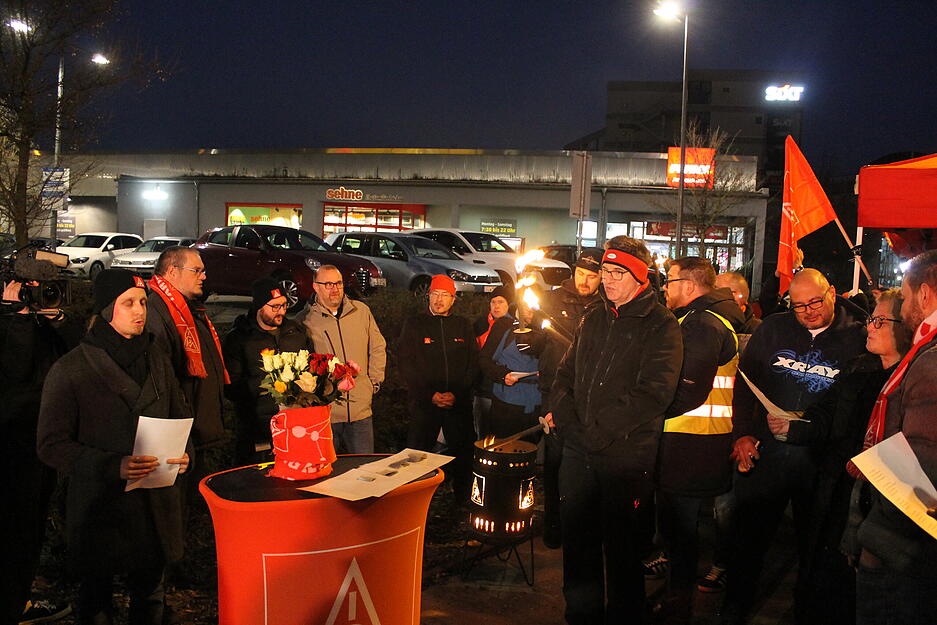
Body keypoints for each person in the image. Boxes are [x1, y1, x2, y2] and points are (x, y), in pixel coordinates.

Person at [37, 270, 191, 625]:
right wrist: (112, 465)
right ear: (107, 310)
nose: (140, 311)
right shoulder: (72, 367)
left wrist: (186, 456)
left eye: (143, 303)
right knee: (95, 601)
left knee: (151, 598)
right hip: (100, 508)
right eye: (129, 303)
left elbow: (181, 415)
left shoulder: (157, 359)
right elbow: (51, 445)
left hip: (154, 505)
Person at [549, 237, 682, 624]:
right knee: (578, 545)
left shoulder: (661, 325)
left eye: (616, 273)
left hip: (624, 458)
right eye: (605, 271)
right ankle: (582, 615)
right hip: (579, 453)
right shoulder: (594, 317)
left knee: (623, 551)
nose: (606, 280)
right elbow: (564, 375)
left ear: (640, 277)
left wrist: (598, 431)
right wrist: (570, 424)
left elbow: (654, 393)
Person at [724, 268, 867, 625]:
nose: (808, 312)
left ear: (832, 292)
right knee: (748, 540)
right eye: (799, 306)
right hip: (768, 454)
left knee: (815, 549)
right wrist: (742, 433)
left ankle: (807, 611)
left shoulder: (859, 334)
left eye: (815, 302)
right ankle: (734, 608)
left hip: (822, 463)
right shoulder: (773, 329)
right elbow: (745, 384)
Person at [765, 289, 911, 625]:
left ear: (905, 326)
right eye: (871, 319)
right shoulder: (859, 369)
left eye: (879, 321)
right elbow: (826, 416)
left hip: (881, 506)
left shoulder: (913, 381)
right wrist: (793, 428)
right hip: (837, 493)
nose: (869, 327)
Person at [655, 257, 745, 621]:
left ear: (689, 286)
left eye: (669, 280)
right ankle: (677, 596)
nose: (664, 287)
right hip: (692, 441)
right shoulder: (700, 320)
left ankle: (677, 604)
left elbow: (688, 390)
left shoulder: (703, 324)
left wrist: (648, 415)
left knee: (681, 531)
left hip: (692, 444)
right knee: (679, 529)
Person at [854, 251, 937, 624]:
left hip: (904, 551)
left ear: (924, 295)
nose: (902, 308)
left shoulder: (931, 360)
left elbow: (923, 472)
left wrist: (877, 535)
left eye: (903, 297)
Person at [1, 281, 71, 625]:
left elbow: (77, 354)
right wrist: (16, 318)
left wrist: (56, 318)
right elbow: (14, 375)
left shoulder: (41, 323)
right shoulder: (12, 322)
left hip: (42, 441)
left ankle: (19, 599)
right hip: (13, 444)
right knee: (15, 528)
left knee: (30, 528)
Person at [537, 247, 603, 549]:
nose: (584, 281)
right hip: (555, 392)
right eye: (580, 274)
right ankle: (554, 526)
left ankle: (583, 528)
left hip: (590, 398)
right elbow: (538, 339)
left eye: (592, 276)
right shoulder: (553, 300)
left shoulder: (605, 305)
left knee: (587, 466)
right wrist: (528, 335)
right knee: (555, 463)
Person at [398, 274, 478, 504]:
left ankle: (464, 501)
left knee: (464, 455)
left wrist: (457, 394)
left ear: (453, 299)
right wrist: (429, 395)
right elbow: (406, 363)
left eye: (445, 295)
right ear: (428, 296)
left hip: (457, 404)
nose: (439, 300)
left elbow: (473, 363)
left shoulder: (463, 325)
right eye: (435, 294)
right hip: (425, 404)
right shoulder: (415, 324)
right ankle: (413, 500)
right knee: (417, 454)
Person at [223, 277, 315, 465]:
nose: (281, 311)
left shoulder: (295, 332)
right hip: (257, 428)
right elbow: (230, 387)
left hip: (295, 424)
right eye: (274, 307)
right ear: (259, 307)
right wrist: (267, 382)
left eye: (284, 305)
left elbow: (311, 368)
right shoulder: (240, 339)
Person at [146, 246, 228, 453]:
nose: (204, 276)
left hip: (199, 428)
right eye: (197, 270)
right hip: (183, 434)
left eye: (203, 271)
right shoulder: (158, 311)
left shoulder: (188, 308)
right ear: (172, 271)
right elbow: (164, 380)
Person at [298, 265, 386, 454]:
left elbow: (377, 347)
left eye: (338, 283)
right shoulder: (305, 320)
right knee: (327, 469)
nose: (335, 289)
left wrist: (374, 383)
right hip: (326, 412)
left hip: (360, 409)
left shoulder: (361, 311)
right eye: (328, 284)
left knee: (364, 467)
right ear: (315, 286)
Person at [477, 287, 541, 439]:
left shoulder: (545, 330)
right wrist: (502, 375)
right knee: (504, 446)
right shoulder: (504, 326)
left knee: (530, 448)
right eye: (525, 307)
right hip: (507, 403)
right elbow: (484, 359)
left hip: (537, 404)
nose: (528, 312)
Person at [472, 285, 514, 436]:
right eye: (493, 302)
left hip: (503, 387)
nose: (496, 306)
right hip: (482, 387)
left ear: (508, 304)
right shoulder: (480, 324)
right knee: (482, 432)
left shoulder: (513, 326)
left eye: (501, 302)